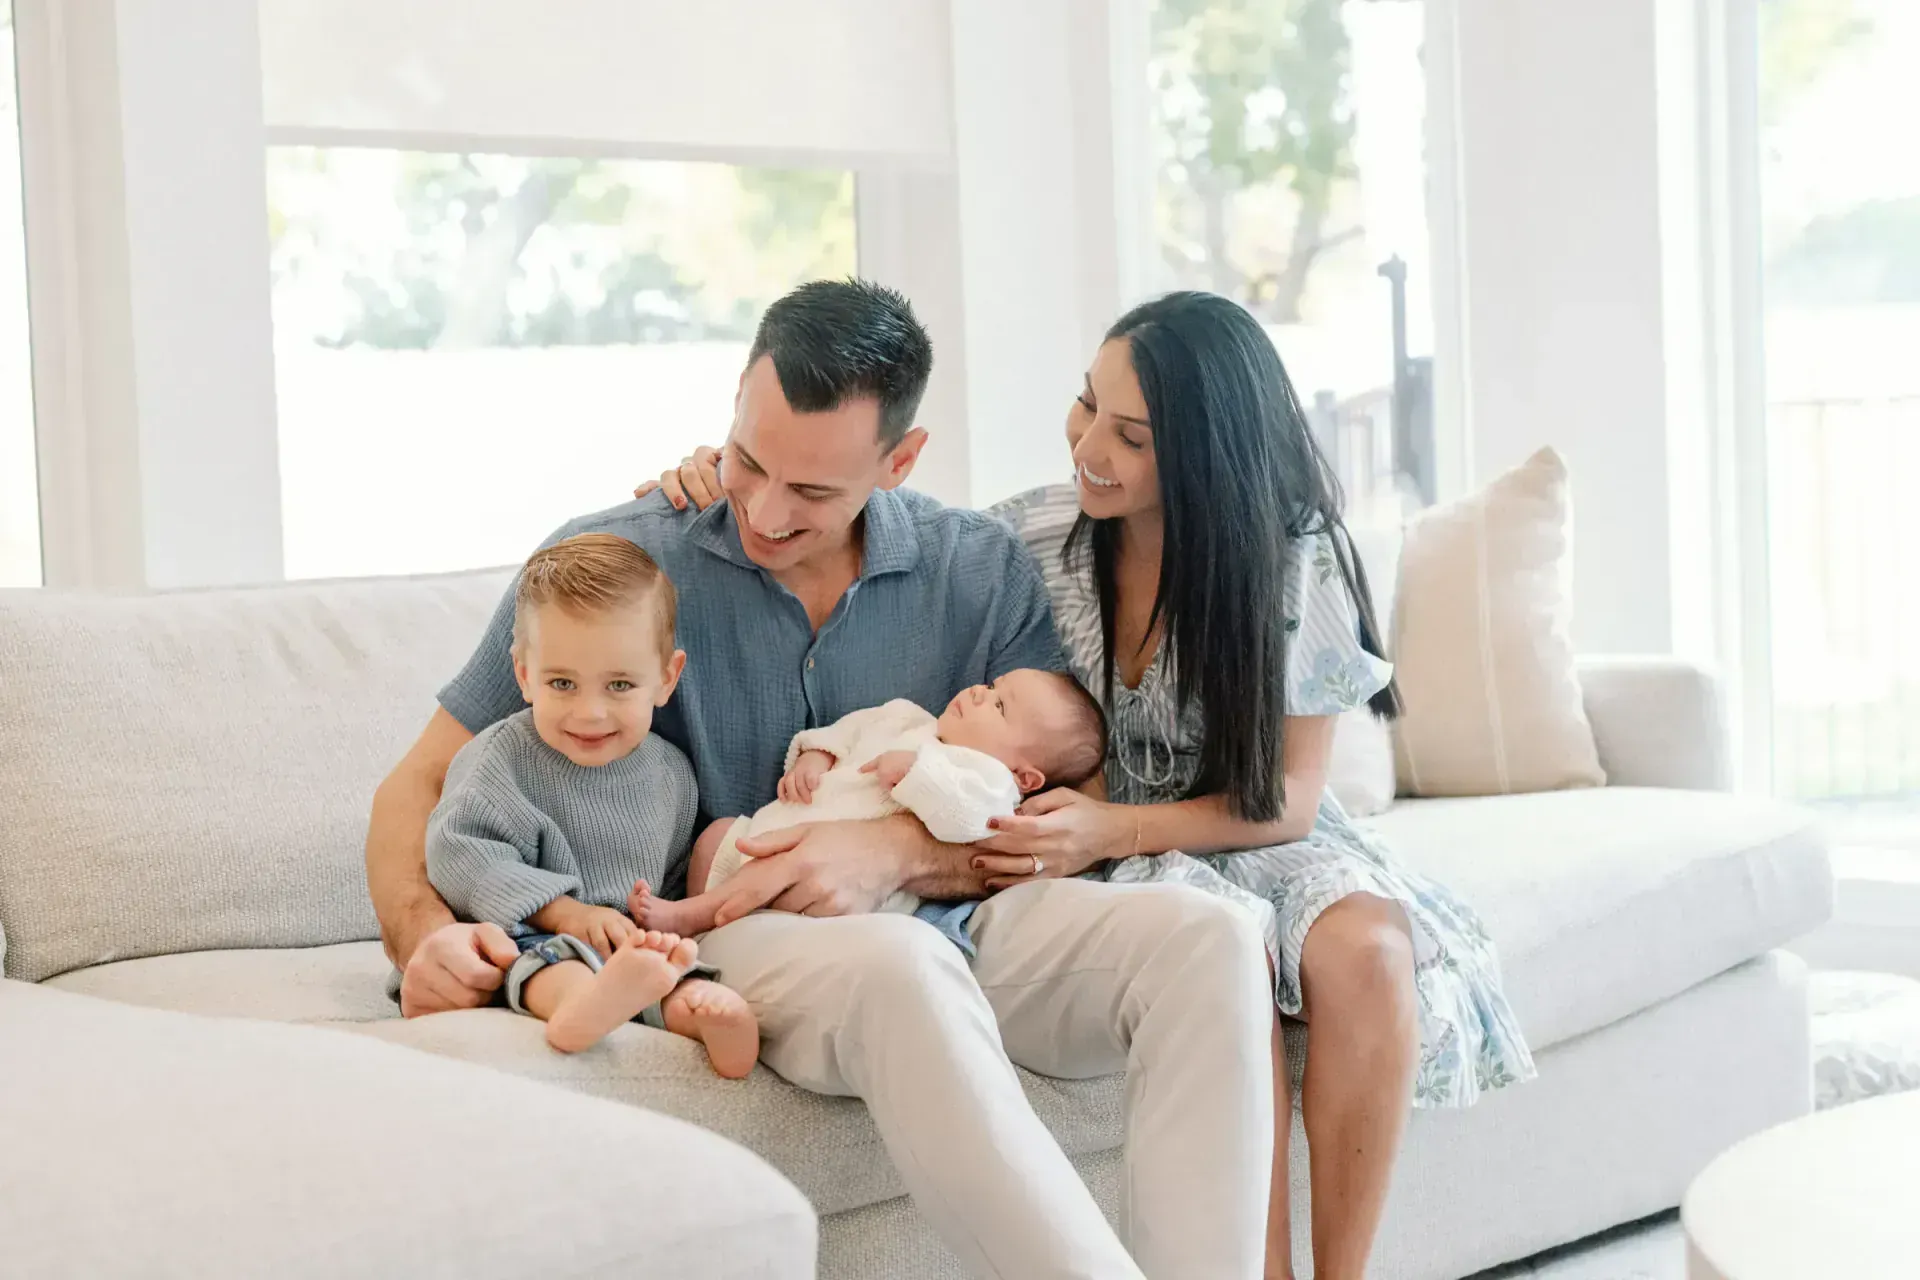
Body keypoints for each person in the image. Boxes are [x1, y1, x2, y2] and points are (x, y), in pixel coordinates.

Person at [367, 278, 1276, 1280]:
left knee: (1216, 938)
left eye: (811, 491)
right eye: (750, 460)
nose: (761, 508)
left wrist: (902, 848)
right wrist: (426, 935)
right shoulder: (616, 559)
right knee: (900, 964)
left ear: (901, 458)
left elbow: (1067, 780)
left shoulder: (974, 564)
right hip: (734, 924)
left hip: (968, 903)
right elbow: (417, 784)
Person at [644, 290, 1537, 1280]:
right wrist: (717, 480)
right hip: (1086, 835)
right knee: (1217, 955)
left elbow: (1282, 799)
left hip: (1241, 825)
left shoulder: (1295, 559)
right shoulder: (1031, 534)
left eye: (1132, 436)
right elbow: (875, 518)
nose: (1089, 448)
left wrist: (1113, 825)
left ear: (1206, 450)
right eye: (1085, 408)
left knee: (1368, 951)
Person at [424, 533, 756, 1070]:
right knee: (553, 964)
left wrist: (658, 926)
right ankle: (581, 1008)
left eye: (620, 685)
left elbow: (666, 875)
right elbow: (461, 856)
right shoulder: (500, 759)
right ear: (525, 676)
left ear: (667, 678)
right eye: (563, 683)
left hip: (624, 948)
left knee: (674, 971)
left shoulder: (670, 773)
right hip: (523, 938)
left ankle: (698, 1012)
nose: (591, 713)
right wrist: (565, 912)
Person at [633, 669, 1107, 936]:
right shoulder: (904, 716)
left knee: (783, 877)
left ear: (1026, 776)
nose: (982, 694)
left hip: (838, 888)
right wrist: (815, 757)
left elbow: (969, 821)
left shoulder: (988, 781)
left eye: (1001, 707)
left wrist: (917, 775)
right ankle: (705, 930)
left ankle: (688, 920)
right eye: (994, 685)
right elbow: (848, 730)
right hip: (766, 832)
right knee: (713, 837)